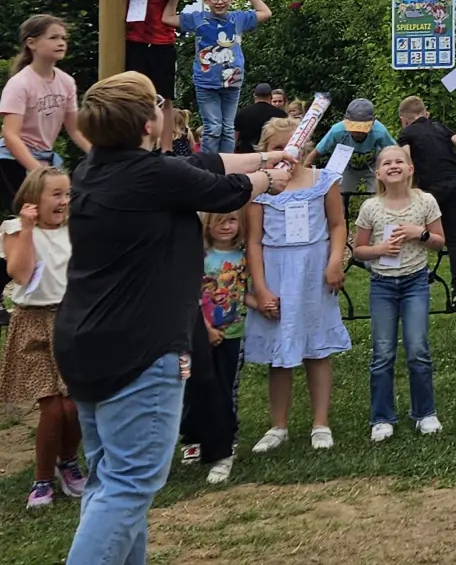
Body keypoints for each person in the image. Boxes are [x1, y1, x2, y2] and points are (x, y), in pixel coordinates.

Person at [53, 71, 281, 563]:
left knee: (109, 478)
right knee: (130, 487)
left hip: (84, 343)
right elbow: (230, 189)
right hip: (140, 347)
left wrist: (267, 155)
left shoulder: (95, 168)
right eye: (157, 102)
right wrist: (270, 177)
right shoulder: (154, 176)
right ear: (147, 121)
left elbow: (205, 161)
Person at [246, 116, 352, 455]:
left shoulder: (323, 180)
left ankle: (321, 423)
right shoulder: (260, 189)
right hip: (277, 273)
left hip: (314, 273)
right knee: (280, 355)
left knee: (317, 350)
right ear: (264, 152)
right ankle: (278, 425)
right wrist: (261, 288)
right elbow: (254, 241)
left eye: (291, 146)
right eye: (277, 148)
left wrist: (335, 261)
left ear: (304, 146)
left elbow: (337, 225)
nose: (285, 153)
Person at [1, 168, 85, 508]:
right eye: (56, 194)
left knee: (74, 406)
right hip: (33, 324)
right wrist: (28, 228)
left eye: (67, 194)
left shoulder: (73, 231)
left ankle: (68, 462)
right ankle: (41, 481)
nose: (64, 201)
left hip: (70, 321)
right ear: (34, 198)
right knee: (52, 408)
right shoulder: (15, 230)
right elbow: (20, 274)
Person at [352, 145, 447, 441]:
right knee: (382, 352)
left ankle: (425, 413)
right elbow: (358, 249)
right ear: (378, 173)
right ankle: (381, 417)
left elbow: (440, 241)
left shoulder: (425, 201)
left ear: (410, 169)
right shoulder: (371, 208)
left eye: (399, 162)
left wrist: (420, 233)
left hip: (415, 283)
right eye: (387, 163)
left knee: (418, 349)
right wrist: (379, 249)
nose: (393, 166)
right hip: (382, 285)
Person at [178, 208, 251, 485]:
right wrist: (206, 330)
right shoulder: (199, 257)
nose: (225, 226)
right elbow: (190, 297)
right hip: (195, 336)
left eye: (231, 220)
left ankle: (225, 438)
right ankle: (191, 438)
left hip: (232, 334)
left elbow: (243, 295)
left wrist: (265, 304)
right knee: (190, 385)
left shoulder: (241, 258)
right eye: (219, 221)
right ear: (207, 225)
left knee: (226, 387)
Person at [162, 0, 271, 153]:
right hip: (206, 81)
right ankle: (209, 167)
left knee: (227, 129)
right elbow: (167, 18)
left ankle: (225, 168)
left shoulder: (238, 18)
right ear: (206, 0)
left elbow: (265, 13)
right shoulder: (198, 19)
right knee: (213, 128)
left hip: (232, 80)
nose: (219, 2)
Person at [113, 0, 186, 152]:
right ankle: (136, 144)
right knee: (133, 94)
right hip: (134, 41)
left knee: (164, 98)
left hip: (161, 44)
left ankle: (166, 148)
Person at [1, 14, 90, 211]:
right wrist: (36, 170)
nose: (61, 43)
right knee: (29, 216)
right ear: (31, 43)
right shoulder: (20, 84)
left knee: (55, 213)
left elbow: (75, 130)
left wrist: (98, 154)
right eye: (53, 37)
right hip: (13, 160)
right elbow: (10, 135)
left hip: (44, 159)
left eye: (64, 38)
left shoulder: (66, 82)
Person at [397, 96, 456, 310]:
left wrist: (408, 186)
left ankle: (422, 277)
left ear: (404, 120)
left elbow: (406, 156)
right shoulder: (440, 128)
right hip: (453, 185)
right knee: (455, 239)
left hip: (428, 189)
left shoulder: (407, 133)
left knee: (415, 233)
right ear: (425, 112)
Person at [312, 98, 396, 197]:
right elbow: (317, 152)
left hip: (373, 166)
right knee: (339, 194)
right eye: (354, 128)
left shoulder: (380, 132)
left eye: (362, 129)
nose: (357, 133)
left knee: (379, 195)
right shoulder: (337, 131)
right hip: (346, 167)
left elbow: (395, 152)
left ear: (373, 122)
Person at [234, 83, 286, 155]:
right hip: (271, 155)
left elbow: (235, 137)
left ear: (254, 95)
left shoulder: (243, 113)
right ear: (270, 97)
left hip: (246, 155)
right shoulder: (281, 114)